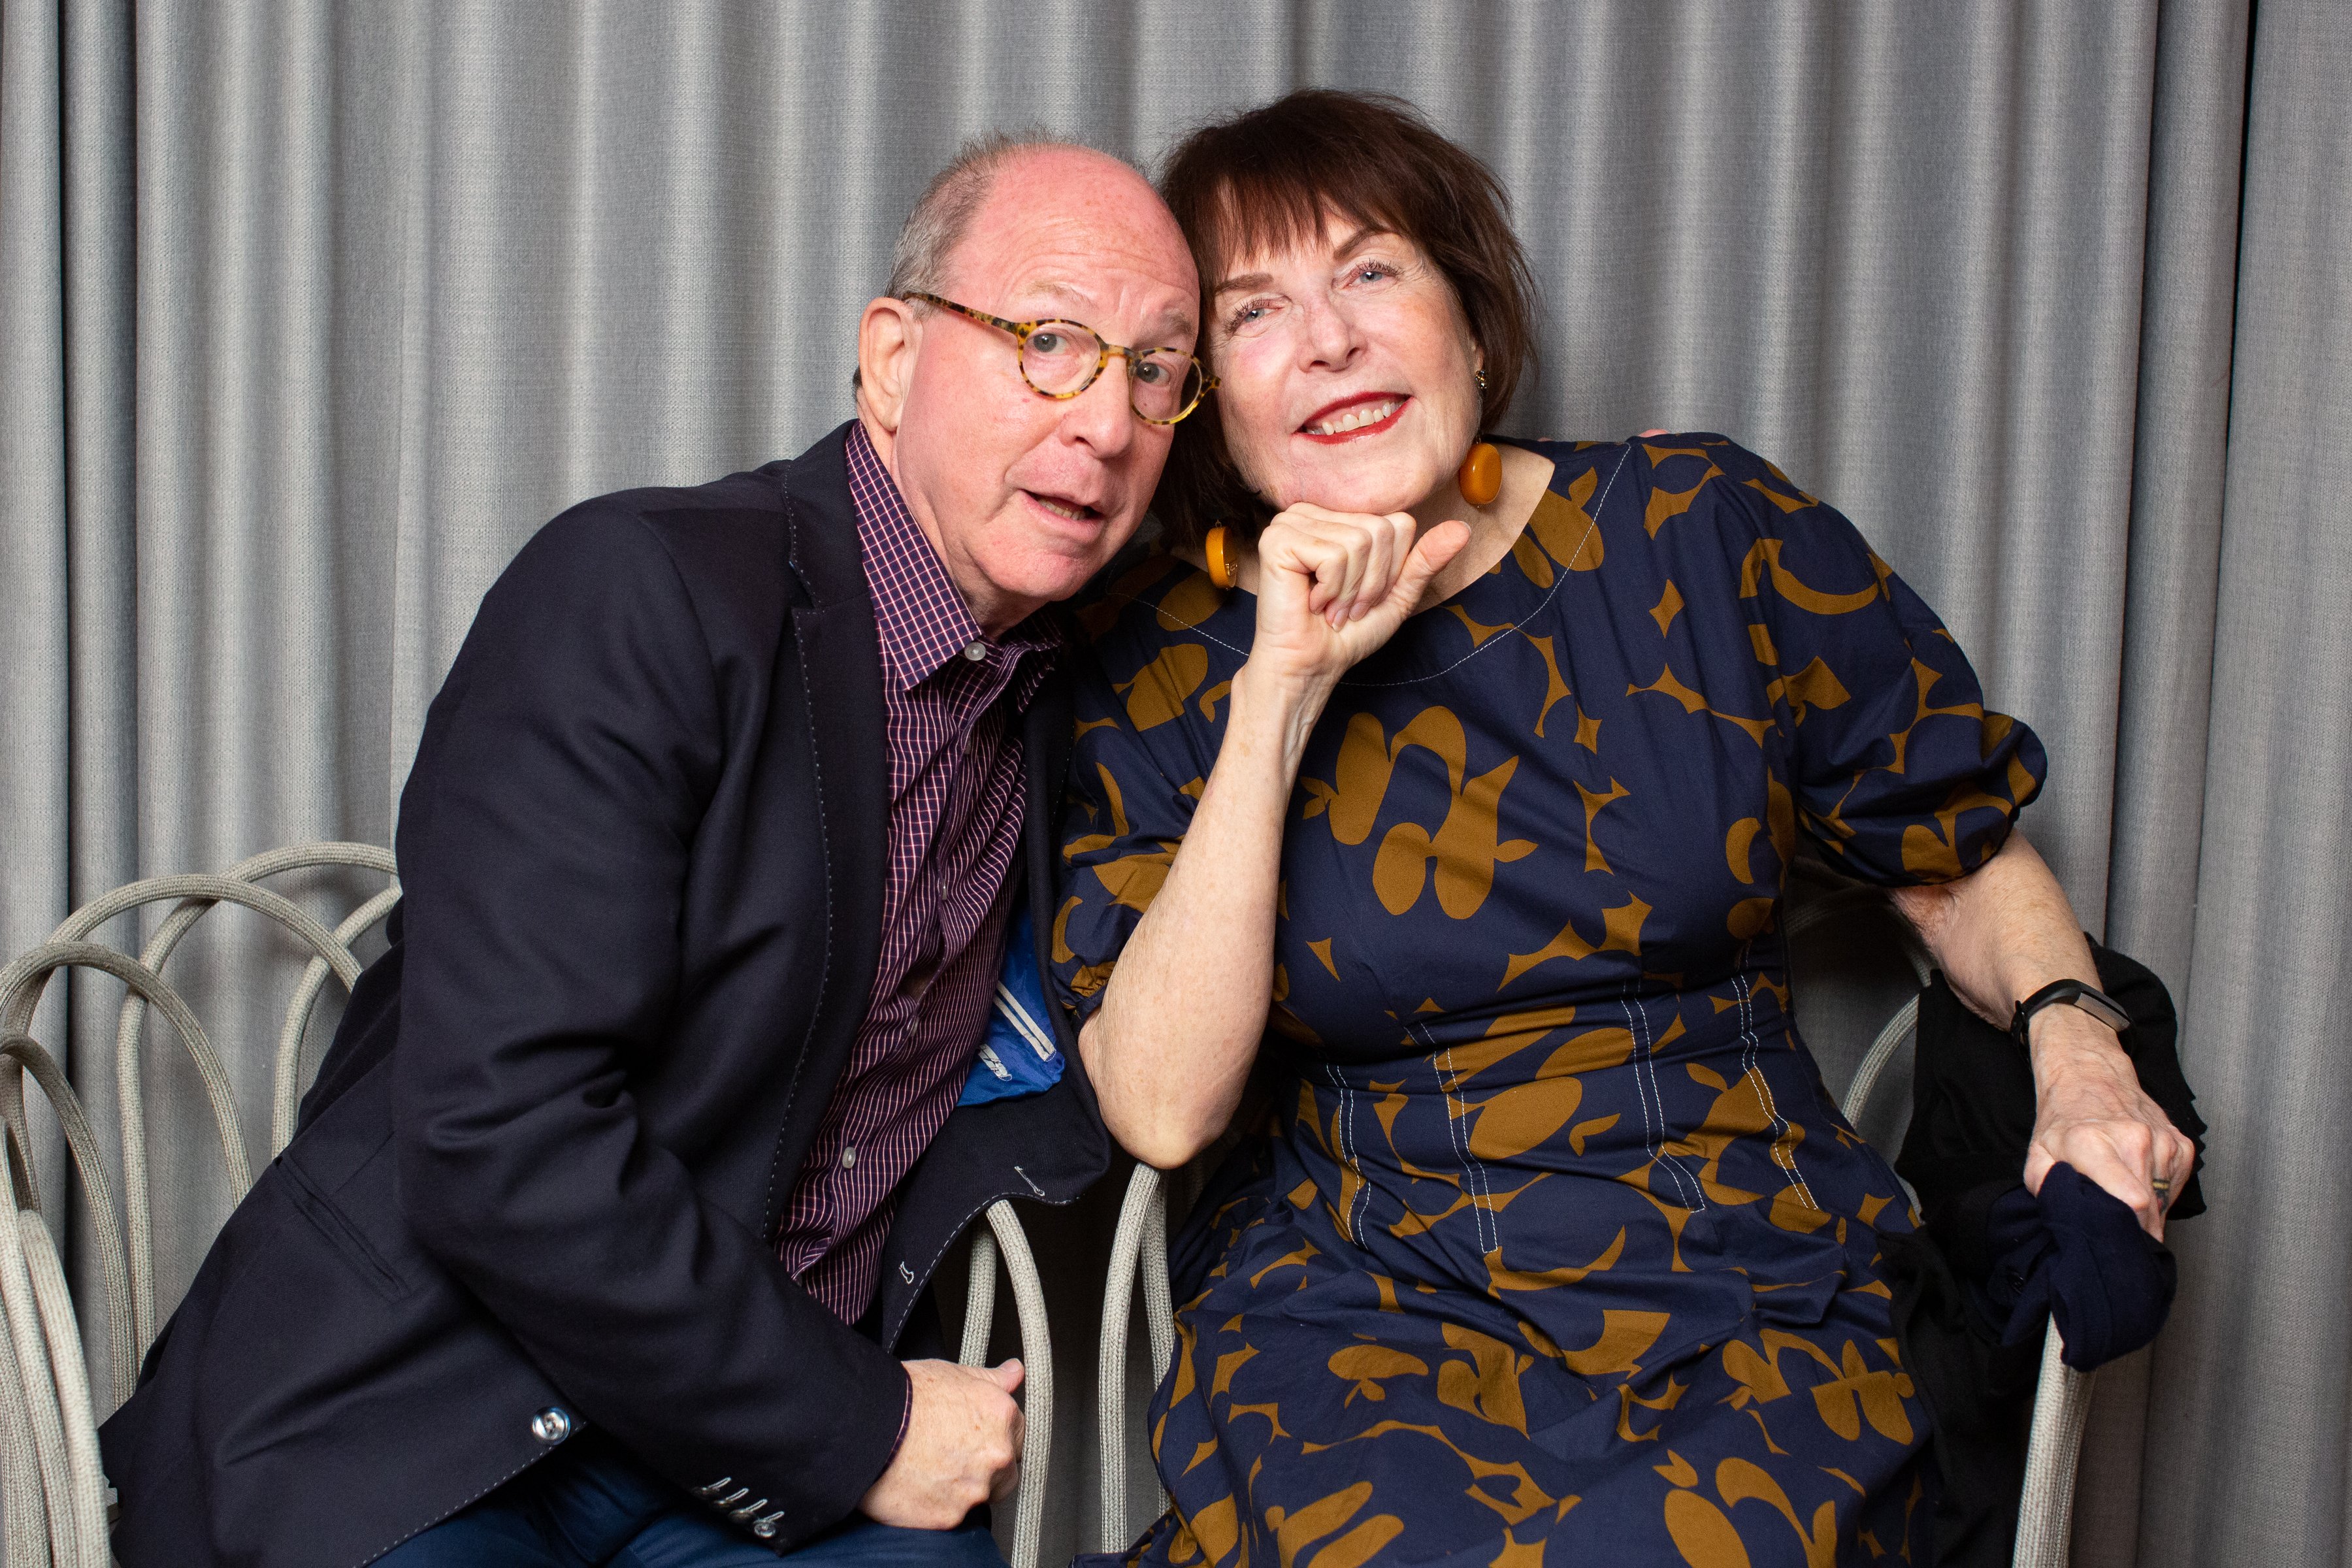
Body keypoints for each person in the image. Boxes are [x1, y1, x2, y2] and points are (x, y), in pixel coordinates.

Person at [1053, 90, 2197, 1565]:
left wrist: (2074, 1039)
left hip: (1743, 1261)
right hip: (1369, 1288)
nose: (1328, 339)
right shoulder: (1168, 659)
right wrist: (1281, 684)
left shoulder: (1695, 529)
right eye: (1257, 310)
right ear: (1212, 403)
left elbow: (1952, 851)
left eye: (1372, 271)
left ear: (1470, 320)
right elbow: (1157, 1109)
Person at [97, 135, 1205, 1568]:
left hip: (737, 1477)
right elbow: (502, 1136)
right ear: (889, 361)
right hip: (424, 1417)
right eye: (1049, 342)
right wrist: (858, 1424)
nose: (1107, 421)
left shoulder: (1071, 695)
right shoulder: (644, 593)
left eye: (1156, 371)